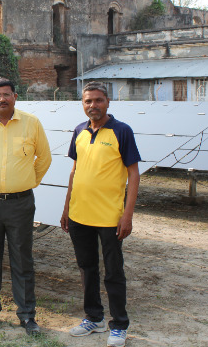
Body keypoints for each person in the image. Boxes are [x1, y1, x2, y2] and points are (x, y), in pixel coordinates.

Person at [0, 77, 52, 335]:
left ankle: (27, 315)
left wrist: (27, 182)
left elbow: (44, 158)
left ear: (15, 96)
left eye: (6, 94)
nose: (1, 99)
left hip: (20, 204)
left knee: (22, 260)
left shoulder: (31, 123)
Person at [60, 81, 141, 347]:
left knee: (113, 271)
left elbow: (133, 173)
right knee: (87, 268)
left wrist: (127, 215)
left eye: (98, 100)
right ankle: (93, 317)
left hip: (109, 216)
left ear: (108, 102)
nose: (93, 106)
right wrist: (66, 208)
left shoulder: (122, 131)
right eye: (88, 101)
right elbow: (75, 171)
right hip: (79, 213)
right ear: (82, 104)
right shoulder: (79, 131)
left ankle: (119, 324)